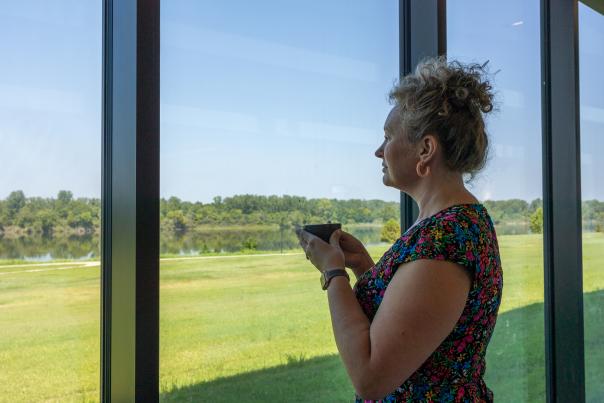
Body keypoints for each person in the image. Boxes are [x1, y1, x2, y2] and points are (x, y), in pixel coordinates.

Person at [296, 57, 503, 402]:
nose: (378, 151)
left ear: (425, 149)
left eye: (388, 136)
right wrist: (364, 268)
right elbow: (415, 327)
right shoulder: (444, 226)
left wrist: (333, 274)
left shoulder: (447, 238)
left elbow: (371, 377)